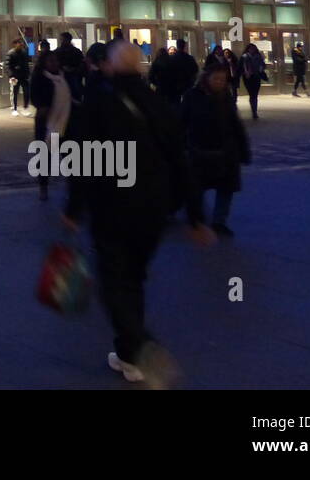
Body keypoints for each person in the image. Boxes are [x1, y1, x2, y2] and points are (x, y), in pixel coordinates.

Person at [62, 39, 212, 385]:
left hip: (113, 208)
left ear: (110, 66)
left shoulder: (99, 103)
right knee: (135, 278)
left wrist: (73, 207)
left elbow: (82, 161)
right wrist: (195, 216)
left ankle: (141, 345)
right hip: (154, 210)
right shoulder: (158, 104)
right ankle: (129, 356)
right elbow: (180, 160)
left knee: (114, 282)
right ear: (141, 66)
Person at [181, 63, 251, 237]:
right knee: (197, 187)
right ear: (207, 77)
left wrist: (243, 148)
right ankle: (196, 218)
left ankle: (219, 221)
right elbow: (181, 122)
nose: (220, 82)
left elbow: (235, 124)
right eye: (216, 78)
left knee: (225, 188)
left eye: (223, 79)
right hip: (200, 150)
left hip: (225, 150)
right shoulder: (192, 96)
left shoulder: (225, 96)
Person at [30, 50, 69, 201]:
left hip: (64, 122)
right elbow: (35, 97)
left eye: (56, 61)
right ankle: (43, 186)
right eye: (51, 61)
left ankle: (73, 183)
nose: (54, 64)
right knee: (45, 156)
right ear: (44, 63)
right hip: (46, 123)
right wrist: (42, 106)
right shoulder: (40, 77)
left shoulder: (63, 76)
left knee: (68, 153)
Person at [55, 32, 86, 102]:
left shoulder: (58, 52)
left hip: (67, 79)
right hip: (70, 79)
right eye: (61, 39)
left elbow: (82, 65)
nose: (62, 41)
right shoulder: (76, 51)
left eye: (63, 39)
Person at [6, 38, 31, 116]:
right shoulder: (11, 53)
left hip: (23, 75)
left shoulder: (24, 52)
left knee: (26, 92)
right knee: (14, 92)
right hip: (14, 76)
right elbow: (8, 66)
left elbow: (26, 65)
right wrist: (11, 76)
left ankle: (25, 108)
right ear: (15, 44)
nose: (21, 44)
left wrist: (28, 74)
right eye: (19, 43)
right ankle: (14, 108)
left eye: (21, 43)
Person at [239, 43, 265, 119]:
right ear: (248, 49)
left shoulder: (258, 56)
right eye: (250, 49)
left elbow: (262, 65)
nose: (252, 50)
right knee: (252, 94)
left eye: (253, 49)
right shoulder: (244, 57)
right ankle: (254, 111)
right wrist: (245, 72)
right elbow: (240, 67)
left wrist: (261, 68)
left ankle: (254, 111)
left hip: (256, 77)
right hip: (248, 77)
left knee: (255, 94)